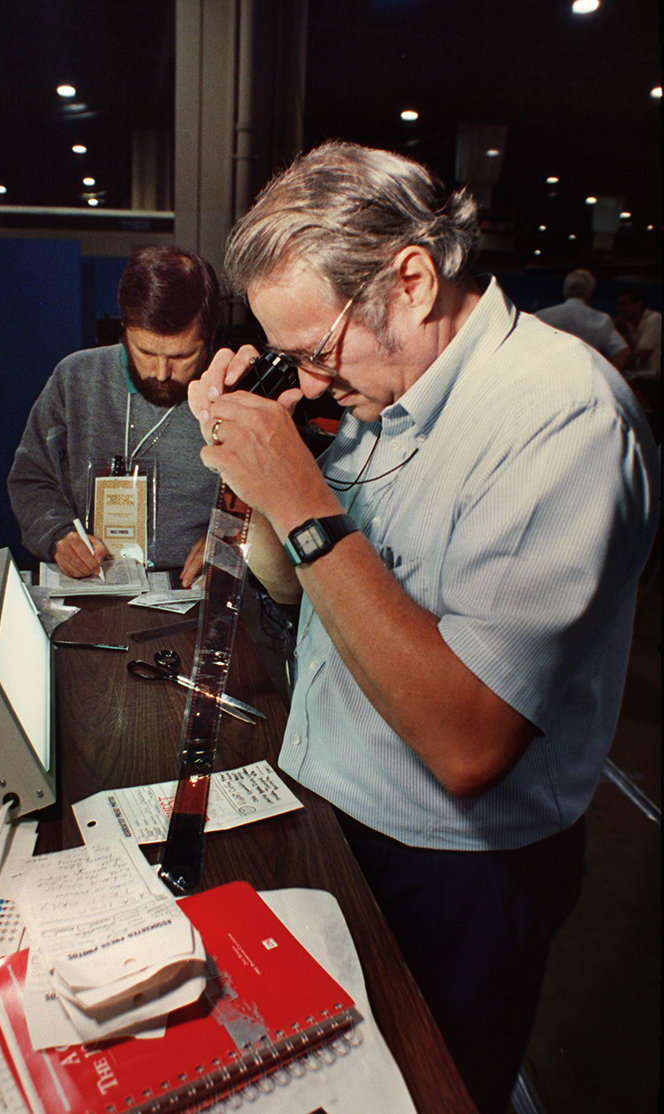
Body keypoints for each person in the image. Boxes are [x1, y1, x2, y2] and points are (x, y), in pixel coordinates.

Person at [187, 142, 659, 1114]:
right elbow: (292, 590)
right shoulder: (385, 389)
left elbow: (466, 741)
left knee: (433, 1089)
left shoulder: (559, 418)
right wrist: (253, 477)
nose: (311, 384)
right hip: (333, 808)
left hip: (456, 865)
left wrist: (301, 491)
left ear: (408, 278)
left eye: (316, 350)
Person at [8, 246, 220, 584]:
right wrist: (58, 535)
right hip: (96, 581)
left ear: (209, 338)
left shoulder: (238, 391)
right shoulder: (75, 377)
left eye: (182, 356)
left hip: (192, 587)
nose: (162, 373)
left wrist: (230, 543)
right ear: (124, 328)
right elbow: (32, 477)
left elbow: (270, 506)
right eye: (146, 352)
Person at [535, 269, 631, 369]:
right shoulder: (601, 319)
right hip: (587, 377)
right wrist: (608, 377)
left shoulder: (540, 316)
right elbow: (623, 352)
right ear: (590, 292)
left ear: (565, 290)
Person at [614, 284, 661, 377]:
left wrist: (626, 335)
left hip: (652, 378)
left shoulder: (654, 319)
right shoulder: (624, 324)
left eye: (624, 304)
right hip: (633, 377)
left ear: (639, 304)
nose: (619, 309)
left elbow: (639, 361)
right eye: (618, 304)